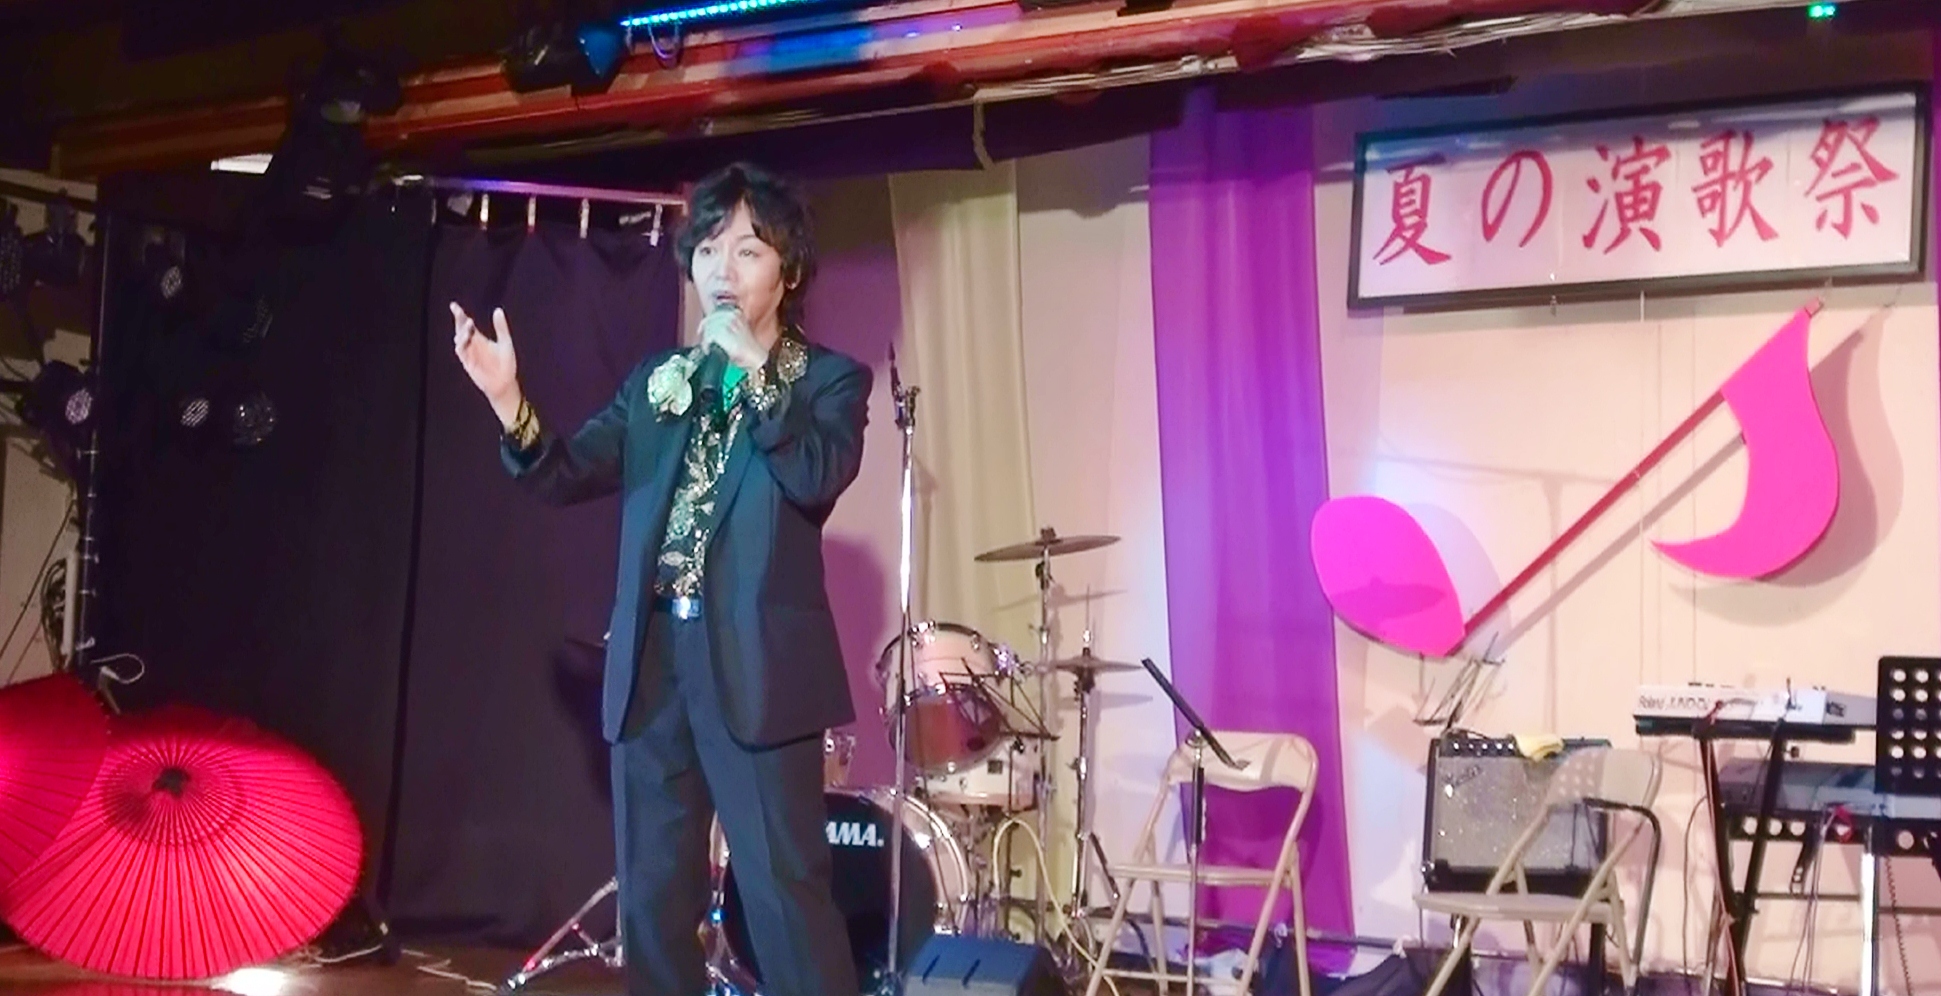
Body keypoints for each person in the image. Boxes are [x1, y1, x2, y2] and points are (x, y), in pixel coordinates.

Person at [449, 162, 868, 996]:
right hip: (652, 663)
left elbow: (816, 474)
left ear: (787, 270)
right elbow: (563, 473)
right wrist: (509, 401)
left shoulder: (826, 380)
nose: (722, 269)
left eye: (746, 250)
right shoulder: (659, 383)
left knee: (785, 898)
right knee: (652, 903)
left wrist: (754, 372)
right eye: (707, 250)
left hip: (757, 671)